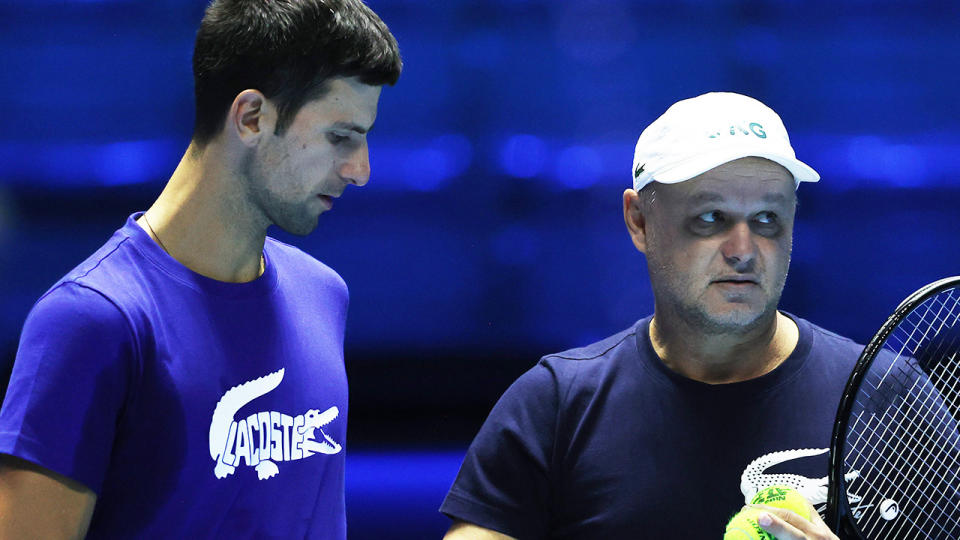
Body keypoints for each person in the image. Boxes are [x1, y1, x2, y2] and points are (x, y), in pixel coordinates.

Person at [0, 1, 400, 537]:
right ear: (253, 117)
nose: (361, 170)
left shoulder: (323, 295)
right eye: (341, 136)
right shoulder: (90, 321)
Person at [441, 92, 855, 539]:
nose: (743, 250)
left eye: (768, 218)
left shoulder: (886, 396)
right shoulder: (554, 407)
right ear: (638, 221)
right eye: (711, 217)